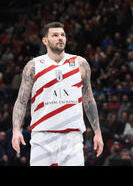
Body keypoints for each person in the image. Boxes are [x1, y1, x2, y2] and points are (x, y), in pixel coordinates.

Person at [11, 21, 103, 166]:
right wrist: (16, 130)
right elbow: (21, 101)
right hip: (42, 136)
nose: (60, 38)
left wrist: (97, 132)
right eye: (55, 35)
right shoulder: (34, 65)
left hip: (72, 137)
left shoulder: (80, 63)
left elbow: (89, 99)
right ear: (45, 41)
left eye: (62, 35)